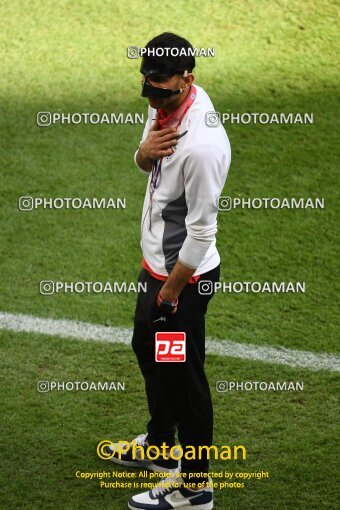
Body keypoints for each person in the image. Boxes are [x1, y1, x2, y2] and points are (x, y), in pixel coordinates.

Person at [108, 32, 231, 510]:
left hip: (182, 282)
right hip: (155, 267)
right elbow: (146, 159)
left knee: (182, 378)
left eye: (164, 91)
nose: (155, 99)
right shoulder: (164, 102)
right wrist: (143, 153)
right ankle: (160, 447)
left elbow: (201, 235)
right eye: (149, 88)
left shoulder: (203, 146)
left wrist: (169, 296)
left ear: (189, 79)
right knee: (146, 347)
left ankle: (195, 488)